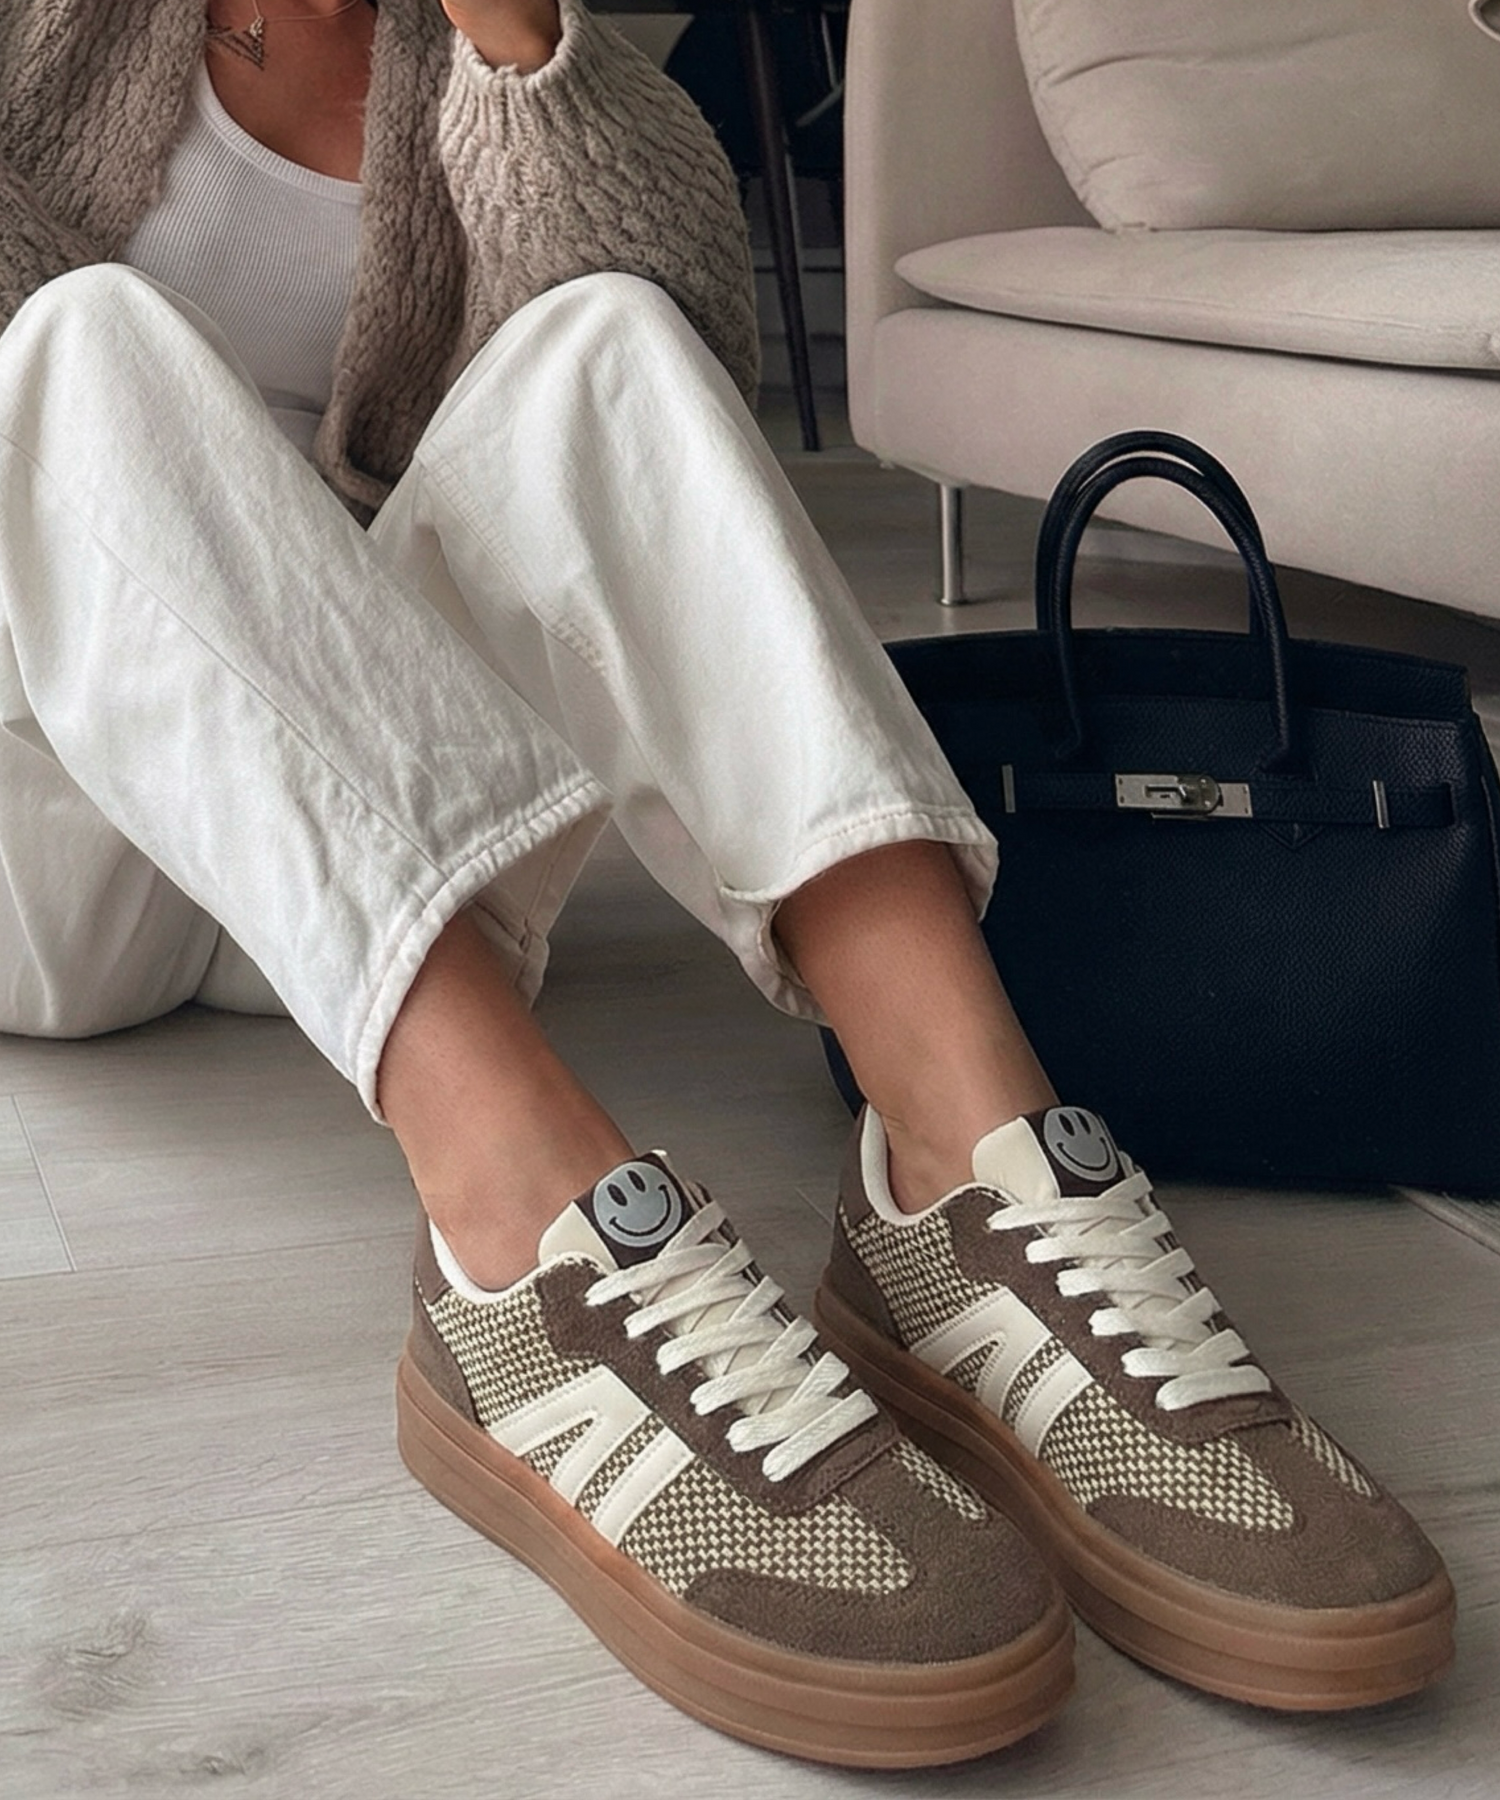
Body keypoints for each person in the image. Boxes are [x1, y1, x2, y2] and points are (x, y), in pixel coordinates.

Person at [0, 0, 1455, 1768]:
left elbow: (682, 359)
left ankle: (970, 1177)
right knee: (81, 340)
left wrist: (518, 55)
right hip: (59, 842)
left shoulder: (500, 50)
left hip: (365, 849)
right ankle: (522, 1238)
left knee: (603, 339)